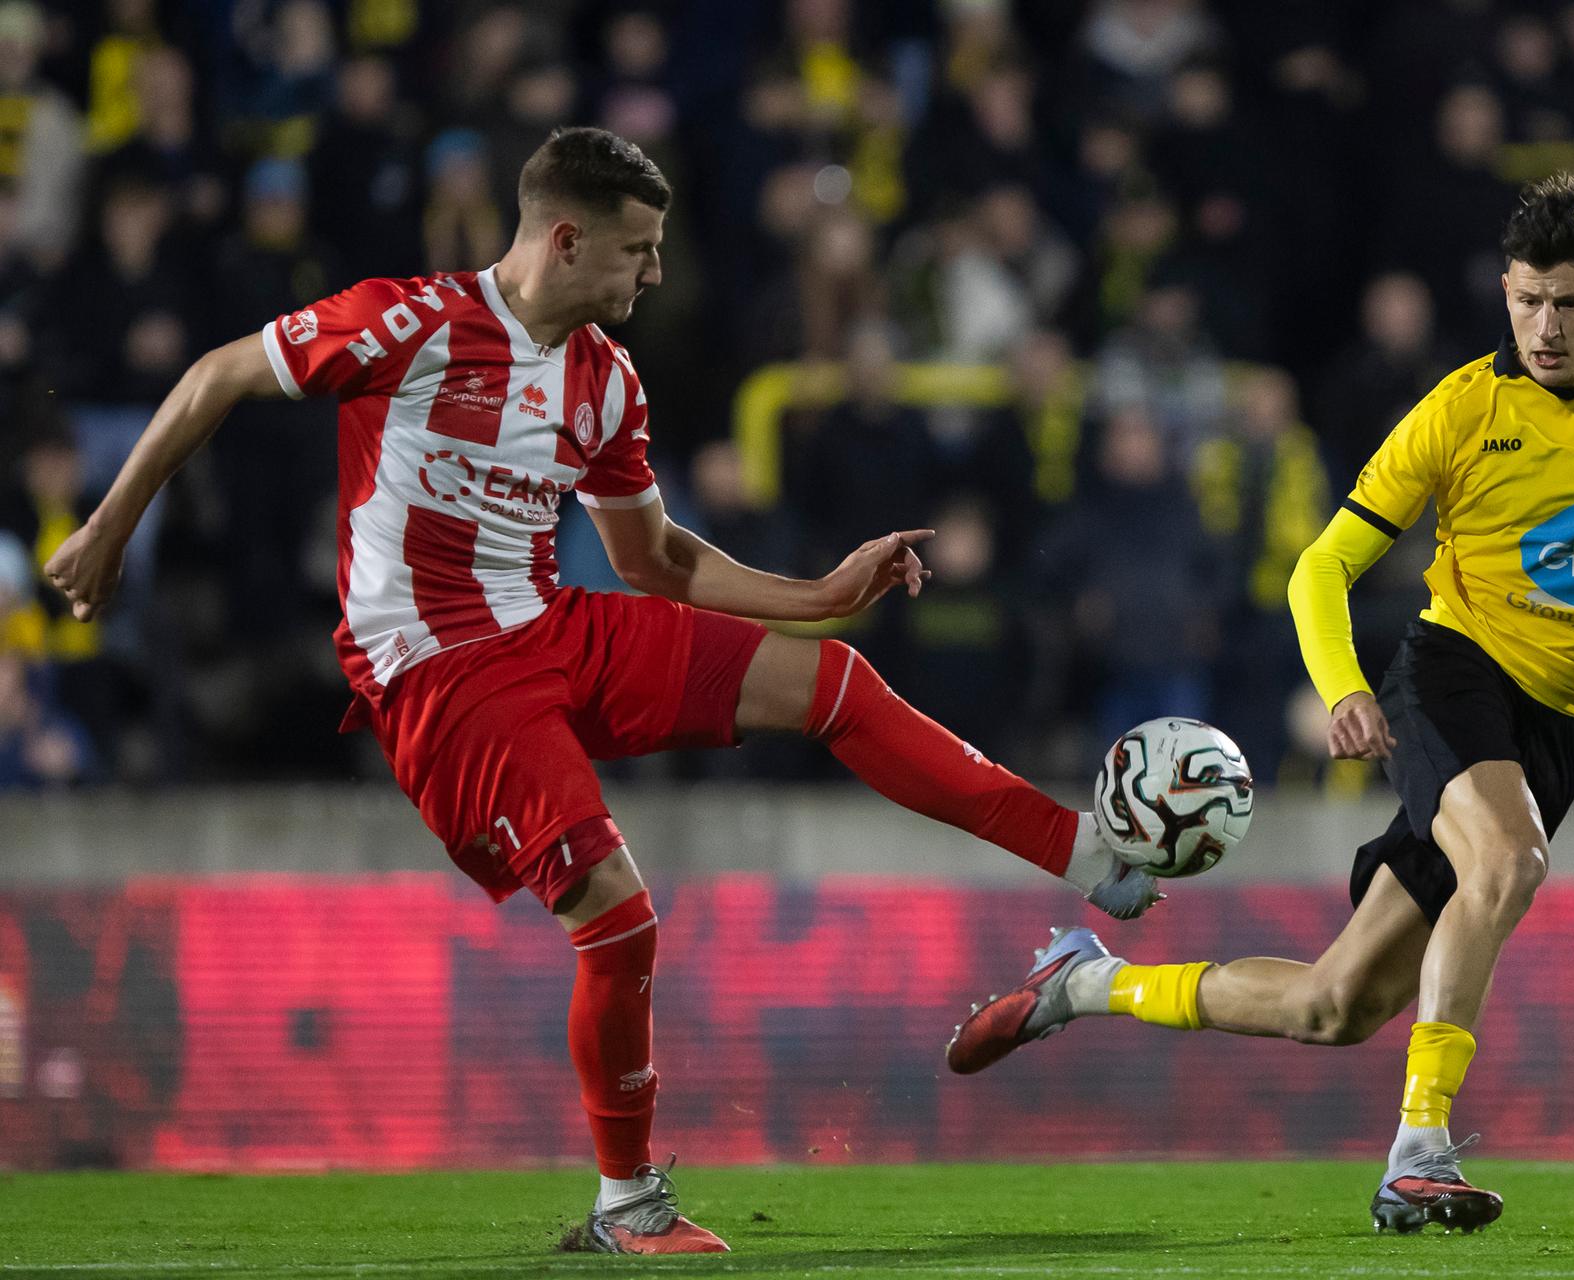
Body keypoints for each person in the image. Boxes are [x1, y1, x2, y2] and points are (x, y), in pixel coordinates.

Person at [41, 127, 1160, 1255]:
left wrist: (819, 595)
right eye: (639, 248)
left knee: (832, 681)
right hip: (437, 670)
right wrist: (107, 527)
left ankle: (1083, 854)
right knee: (619, 916)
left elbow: (653, 558)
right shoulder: (415, 323)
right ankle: (627, 1202)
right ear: (568, 239)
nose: (657, 272)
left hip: (549, 625)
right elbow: (219, 373)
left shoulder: (604, 380)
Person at [946, 175, 1574, 1234]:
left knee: (1335, 1005)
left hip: (1562, 724)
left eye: (1572, 304)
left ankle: (1084, 984)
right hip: (1455, 675)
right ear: (1505, 292)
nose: (1546, 328)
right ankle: (1420, 1149)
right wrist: (1345, 689)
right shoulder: (1458, 413)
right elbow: (1319, 568)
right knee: (1510, 861)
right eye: (1529, 300)